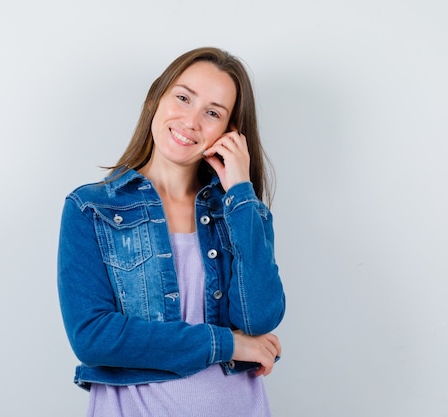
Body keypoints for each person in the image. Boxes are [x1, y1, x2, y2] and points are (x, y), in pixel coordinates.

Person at [57, 46, 286, 417]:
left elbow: (259, 318)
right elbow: (94, 337)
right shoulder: (93, 208)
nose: (192, 121)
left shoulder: (237, 211)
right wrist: (228, 344)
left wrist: (241, 193)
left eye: (212, 113)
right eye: (183, 98)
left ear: (229, 133)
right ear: (155, 101)